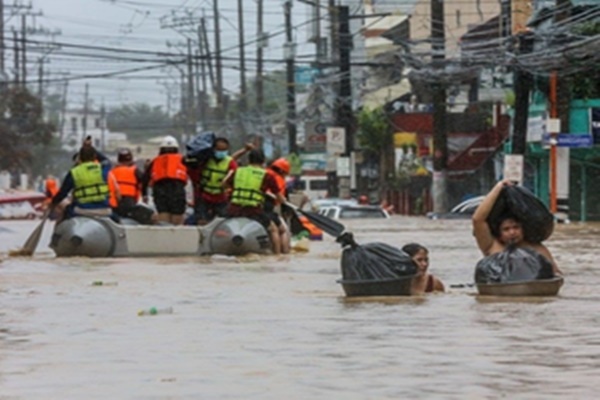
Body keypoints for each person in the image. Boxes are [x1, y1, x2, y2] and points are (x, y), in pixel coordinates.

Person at [471, 179, 562, 275]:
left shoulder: (536, 248)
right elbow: (478, 220)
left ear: (523, 229)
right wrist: (498, 187)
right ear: (499, 233)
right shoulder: (491, 245)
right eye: (506, 229)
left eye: (516, 227)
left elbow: (555, 274)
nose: (512, 232)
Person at [224, 149, 286, 255]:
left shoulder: (238, 171)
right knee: (274, 229)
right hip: (253, 211)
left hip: (233, 210)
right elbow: (280, 198)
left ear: (248, 160)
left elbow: (224, 184)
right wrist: (283, 200)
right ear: (263, 161)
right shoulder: (267, 175)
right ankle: (278, 255)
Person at [189, 138, 250, 225]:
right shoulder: (206, 159)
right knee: (201, 220)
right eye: (219, 150)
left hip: (220, 197)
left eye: (224, 150)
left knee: (224, 222)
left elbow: (234, 173)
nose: (221, 152)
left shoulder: (229, 162)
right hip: (204, 196)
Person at [51, 146, 114, 220]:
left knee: (65, 213)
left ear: (80, 158)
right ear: (95, 156)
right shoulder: (102, 169)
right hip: (104, 210)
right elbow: (106, 160)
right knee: (118, 220)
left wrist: (53, 203)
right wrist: (91, 146)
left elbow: (63, 193)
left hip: (81, 210)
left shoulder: (74, 172)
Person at [141, 135, 189, 225]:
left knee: (163, 218)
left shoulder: (154, 161)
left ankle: (165, 234)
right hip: (177, 189)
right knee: (177, 218)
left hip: (160, 190)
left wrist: (144, 194)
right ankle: (178, 235)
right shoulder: (183, 160)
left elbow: (145, 179)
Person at [109, 148, 153, 224]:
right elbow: (147, 181)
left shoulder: (111, 172)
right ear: (131, 160)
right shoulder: (135, 171)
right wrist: (148, 169)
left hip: (114, 205)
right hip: (129, 203)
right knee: (150, 215)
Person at [265, 158, 292, 254]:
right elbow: (280, 200)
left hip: (251, 206)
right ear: (281, 171)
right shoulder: (279, 180)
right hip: (266, 209)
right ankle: (281, 253)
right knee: (282, 230)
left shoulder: (263, 172)